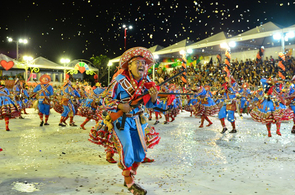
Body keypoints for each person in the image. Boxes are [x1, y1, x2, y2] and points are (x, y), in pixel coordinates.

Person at [100, 47, 159, 194]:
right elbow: (105, 100)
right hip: (121, 120)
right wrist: (120, 105)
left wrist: (154, 97)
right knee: (127, 148)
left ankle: (130, 173)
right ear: (129, 65)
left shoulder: (147, 82)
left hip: (138, 120)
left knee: (140, 152)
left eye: (144, 63)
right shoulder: (119, 81)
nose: (141, 65)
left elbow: (150, 104)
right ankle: (129, 182)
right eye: (137, 62)